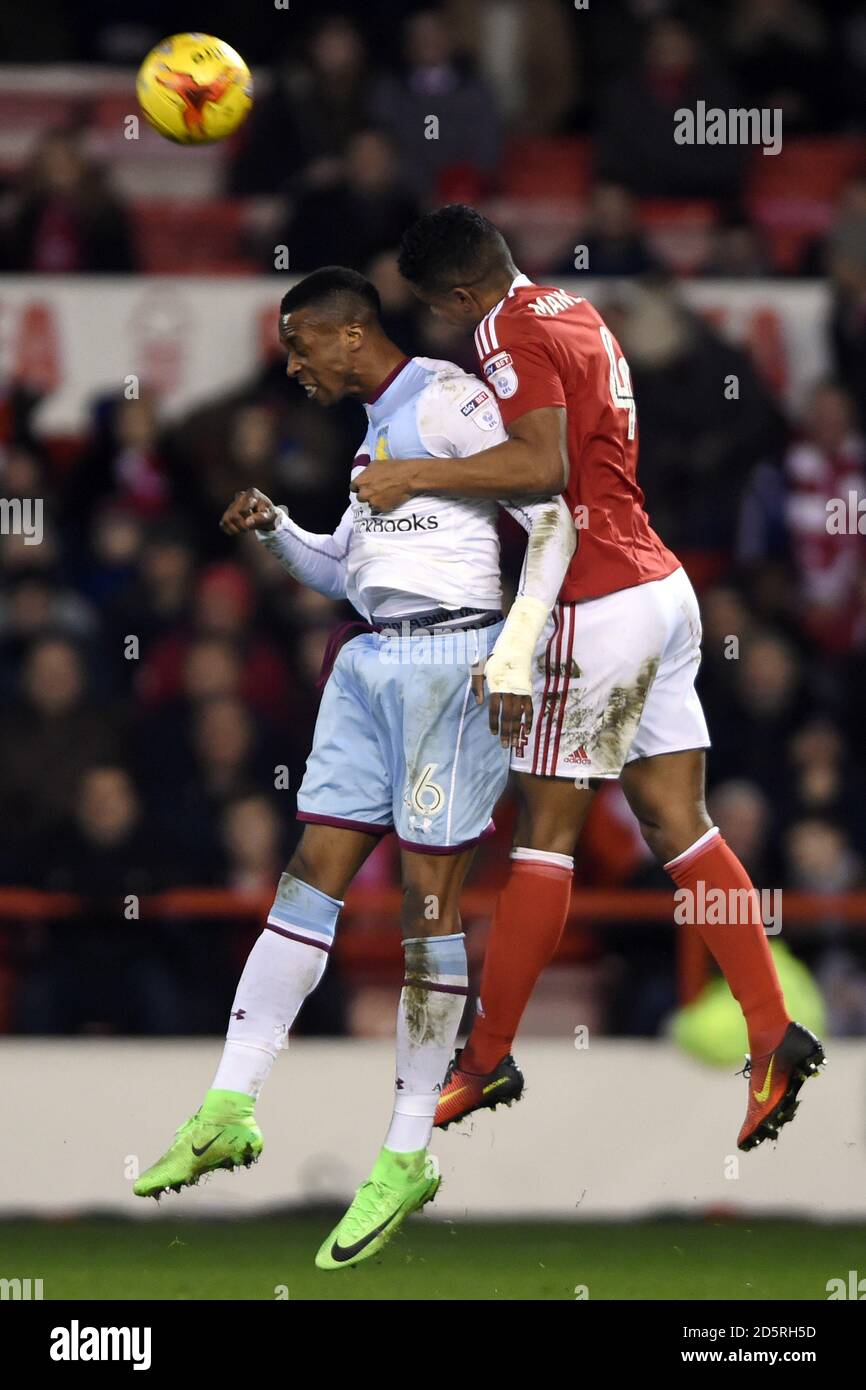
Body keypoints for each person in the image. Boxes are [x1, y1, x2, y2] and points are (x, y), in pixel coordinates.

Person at [352, 205, 825, 1153]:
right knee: (675, 822)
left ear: (454, 295)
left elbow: (542, 463)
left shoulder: (505, 329)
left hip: (596, 601)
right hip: (660, 586)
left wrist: (414, 480)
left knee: (548, 834)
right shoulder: (571, 307)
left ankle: (486, 1058)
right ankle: (773, 1031)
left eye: (438, 312)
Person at [134, 267, 575, 1268]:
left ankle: (406, 1149)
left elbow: (546, 507)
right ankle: (230, 1102)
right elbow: (349, 570)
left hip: (449, 663)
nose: (288, 366)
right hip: (369, 661)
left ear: (344, 336)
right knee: (307, 880)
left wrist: (512, 651)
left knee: (428, 903)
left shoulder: (450, 398)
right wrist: (279, 533)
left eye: (297, 345)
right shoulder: (373, 436)